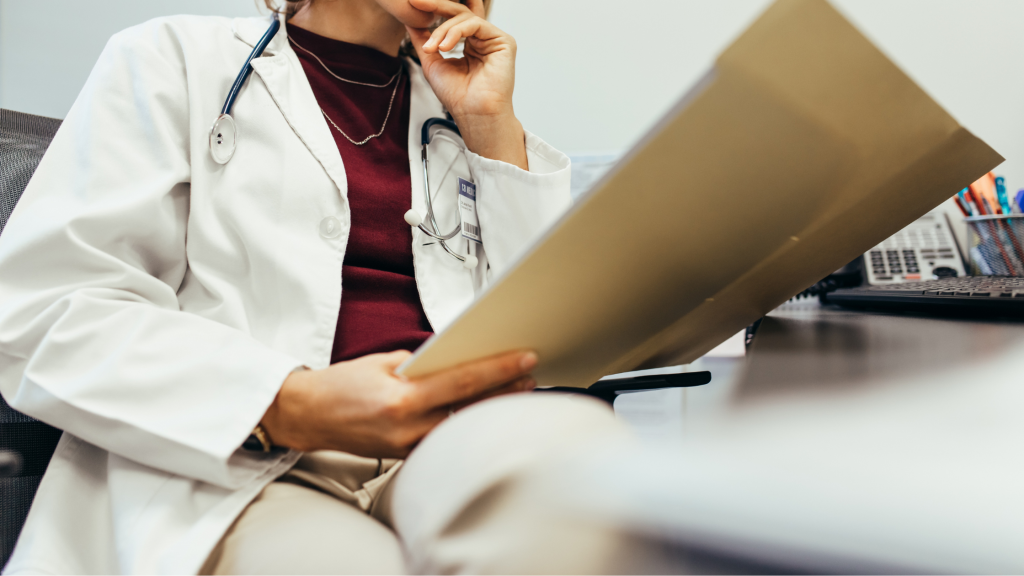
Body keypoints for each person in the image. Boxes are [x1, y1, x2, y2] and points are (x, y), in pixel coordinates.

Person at [0, 0, 673, 573]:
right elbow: (47, 312)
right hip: (240, 457)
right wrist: (290, 402)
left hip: (443, 449)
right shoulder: (171, 59)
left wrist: (490, 126)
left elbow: (554, 338)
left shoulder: (458, 107)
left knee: (583, 483)